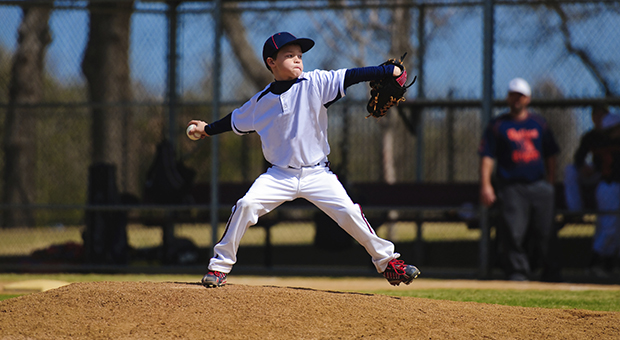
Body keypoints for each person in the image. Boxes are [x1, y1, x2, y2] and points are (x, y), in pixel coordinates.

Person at [187, 32, 420, 288]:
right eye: (289, 56)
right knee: (245, 205)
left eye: (300, 55)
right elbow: (233, 120)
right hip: (279, 176)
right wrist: (207, 129)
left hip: (317, 174)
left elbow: (351, 75)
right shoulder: (260, 103)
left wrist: (383, 71)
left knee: (351, 213)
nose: (298, 60)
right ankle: (219, 267)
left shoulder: (315, 83)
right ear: (271, 62)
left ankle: (389, 264)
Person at [478, 77, 561, 282]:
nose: (517, 99)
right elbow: (487, 156)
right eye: (513, 95)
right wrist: (486, 184)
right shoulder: (498, 125)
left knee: (545, 231)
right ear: (508, 98)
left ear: (528, 98)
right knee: (513, 232)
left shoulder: (539, 123)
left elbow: (551, 154)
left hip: (539, 185)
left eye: (520, 95)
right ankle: (518, 272)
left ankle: (551, 271)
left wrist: (550, 182)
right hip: (512, 186)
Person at [572, 103, 620, 277]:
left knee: (612, 228)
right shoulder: (602, 141)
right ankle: (595, 263)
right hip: (609, 186)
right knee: (608, 227)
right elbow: (579, 160)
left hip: (610, 186)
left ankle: (606, 265)